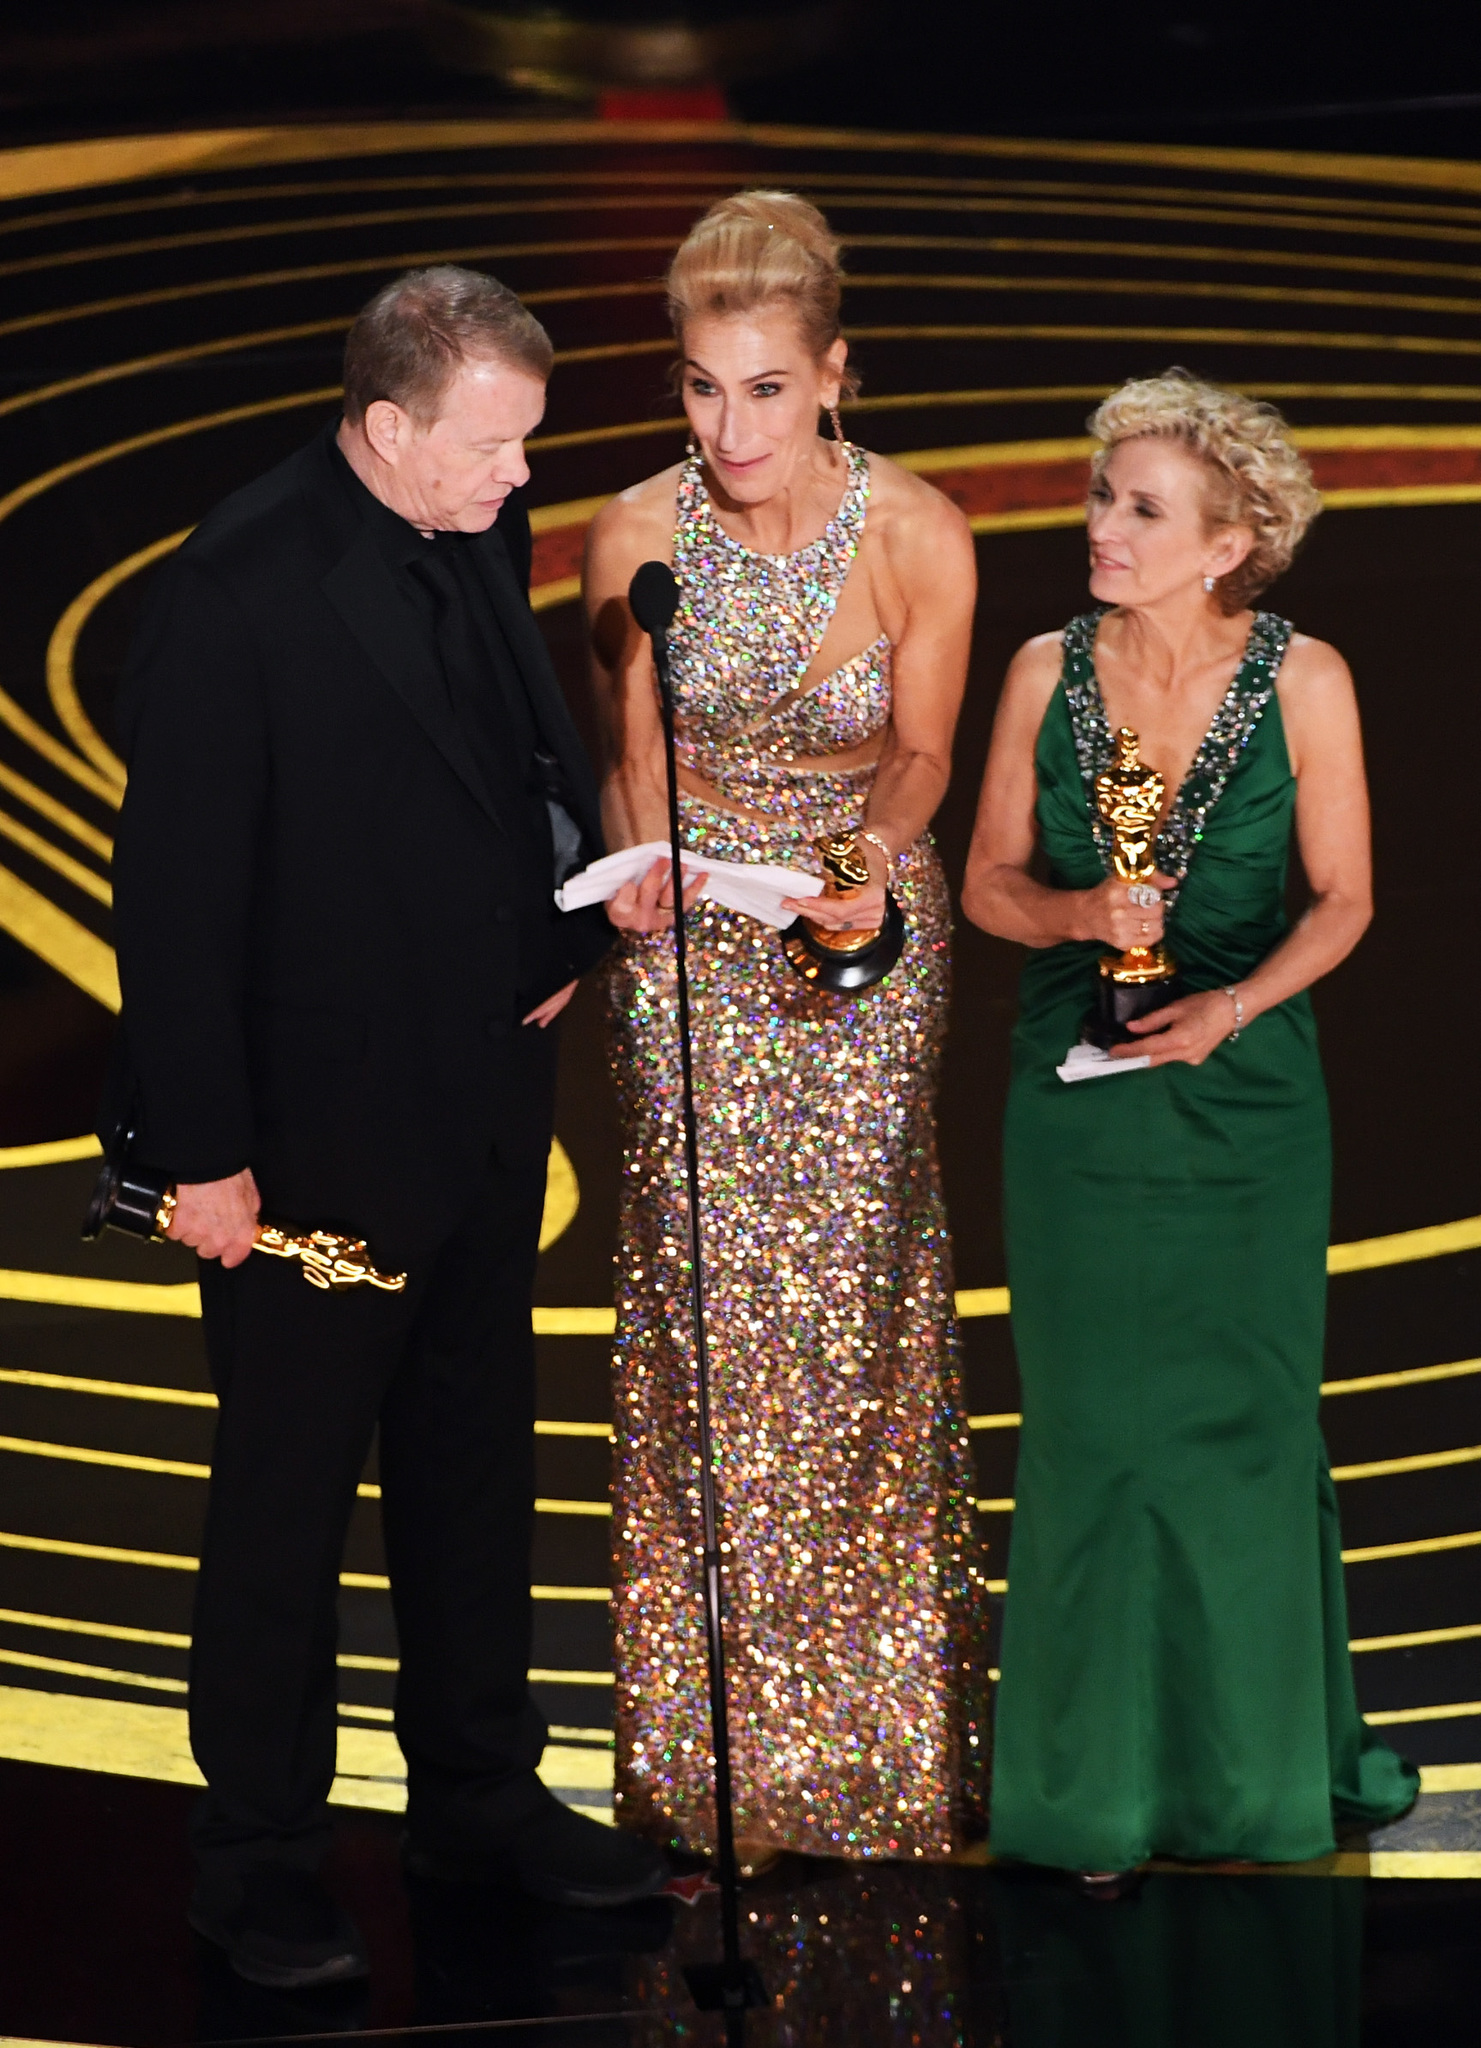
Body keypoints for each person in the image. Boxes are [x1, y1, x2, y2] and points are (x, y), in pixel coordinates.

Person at [106, 264, 668, 1988]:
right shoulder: (241, 587)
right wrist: (198, 1155)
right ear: (385, 424)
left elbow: (512, 760)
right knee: (285, 1504)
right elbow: (175, 901)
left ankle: (476, 1796)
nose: (519, 478)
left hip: (487, 1114)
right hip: (311, 1147)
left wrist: (572, 922)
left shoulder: (472, 524)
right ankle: (256, 1850)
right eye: (493, 448)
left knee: (468, 1471)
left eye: (524, 446)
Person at [961, 367, 1418, 1888]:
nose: (1099, 527)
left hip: (1245, 1101)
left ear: (1226, 544)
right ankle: (1090, 1797)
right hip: (1075, 1102)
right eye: (1101, 495)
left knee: (1237, 1430)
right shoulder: (1041, 670)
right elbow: (982, 887)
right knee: (1092, 1432)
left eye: (1138, 509)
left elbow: (1344, 900)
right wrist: (1079, 913)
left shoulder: (1308, 681)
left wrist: (1231, 1008)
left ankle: (1245, 1783)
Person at [584, 191, 987, 1866]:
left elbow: (919, 760)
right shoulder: (627, 533)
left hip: (850, 932)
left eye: (761, 388)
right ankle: (711, 1765)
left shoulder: (920, 533)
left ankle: (875, 1756)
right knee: (702, 1321)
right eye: (698, 388)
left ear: (833, 375)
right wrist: (635, 878)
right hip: (686, 958)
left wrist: (857, 877)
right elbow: (623, 747)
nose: (727, 428)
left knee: (848, 1313)